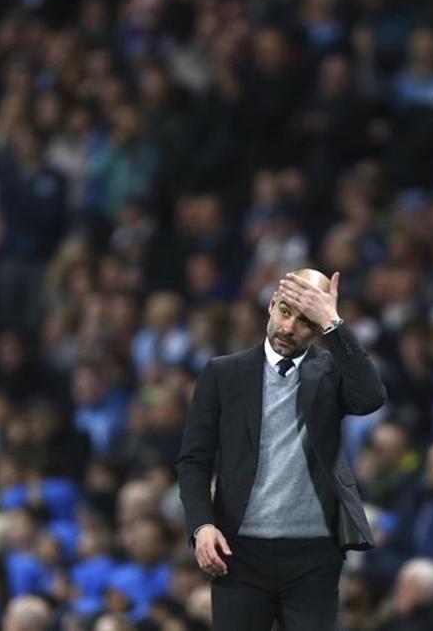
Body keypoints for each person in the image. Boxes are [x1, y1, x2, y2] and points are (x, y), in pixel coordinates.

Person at [176, 268, 387, 630]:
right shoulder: (223, 373)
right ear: (272, 305)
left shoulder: (332, 373)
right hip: (238, 552)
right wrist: (201, 526)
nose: (289, 328)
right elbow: (194, 461)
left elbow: (370, 398)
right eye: (285, 311)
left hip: (314, 555)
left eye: (306, 321)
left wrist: (335, 324)